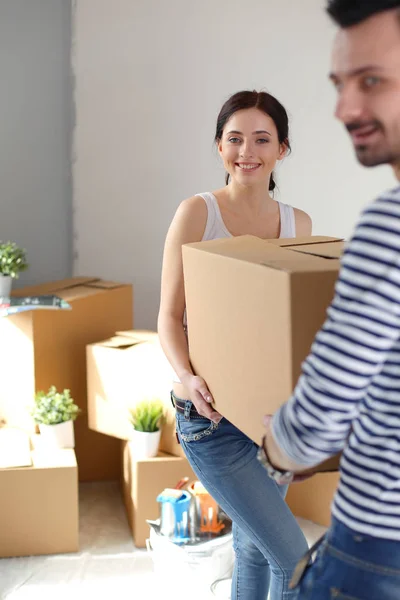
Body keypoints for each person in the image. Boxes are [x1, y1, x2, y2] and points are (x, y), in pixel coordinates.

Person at [260, 3, 400, 599]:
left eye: (371, 81)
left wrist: (276, 446)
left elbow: (314, 426)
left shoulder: (388, 228)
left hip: (377, 547)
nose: (344, 108)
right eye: (339, 84)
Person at [158, 89, 312, 600]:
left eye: (262, 139)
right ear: (218, 147)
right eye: (235, 138)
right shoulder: (197, 213)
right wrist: (189, 379)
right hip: (213, 421)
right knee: (292, 560)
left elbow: (293, 326)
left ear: (282, 149)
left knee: (253, 550)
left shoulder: (298, 225)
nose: (247, 151)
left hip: (273, 422)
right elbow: (169, 317)